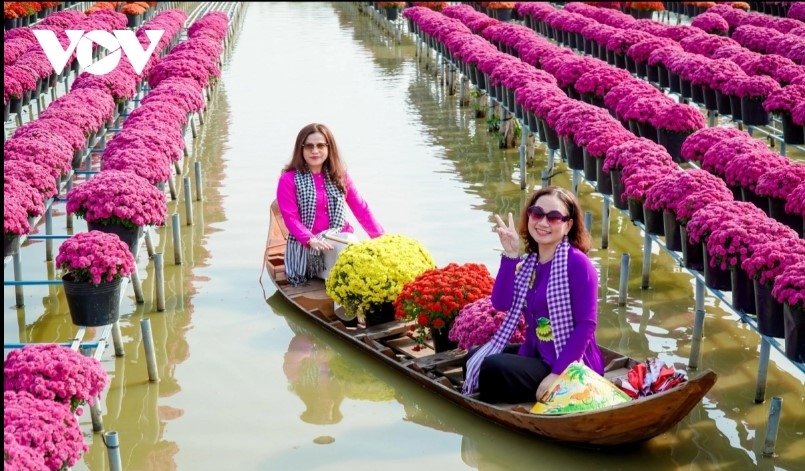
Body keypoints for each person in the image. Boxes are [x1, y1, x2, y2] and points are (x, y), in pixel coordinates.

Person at [462, 185, 603, 404]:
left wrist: (557, 374)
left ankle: (502, 412)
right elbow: (501, 302)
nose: (543, 222)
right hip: (538, 352)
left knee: (492, 367)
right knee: (475, 358)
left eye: (554, 217)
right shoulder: (530, 263)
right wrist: (510, 255)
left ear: (568, 225)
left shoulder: (578, 264)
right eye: (537, 214)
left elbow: (587, 325)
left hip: (572, 363)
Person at [276, 123, 384, 286]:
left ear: (329, 148)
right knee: (347, 249)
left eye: (320, 145)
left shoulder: (340, 176)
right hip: (309, 249)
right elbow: (290, 218)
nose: (315, 151)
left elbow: (361, 209)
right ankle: (342, 308)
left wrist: (382, 240)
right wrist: (310, 240)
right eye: (309, 146)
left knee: (350, 245)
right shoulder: (288, 180)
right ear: (301, 149)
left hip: (340, 241)